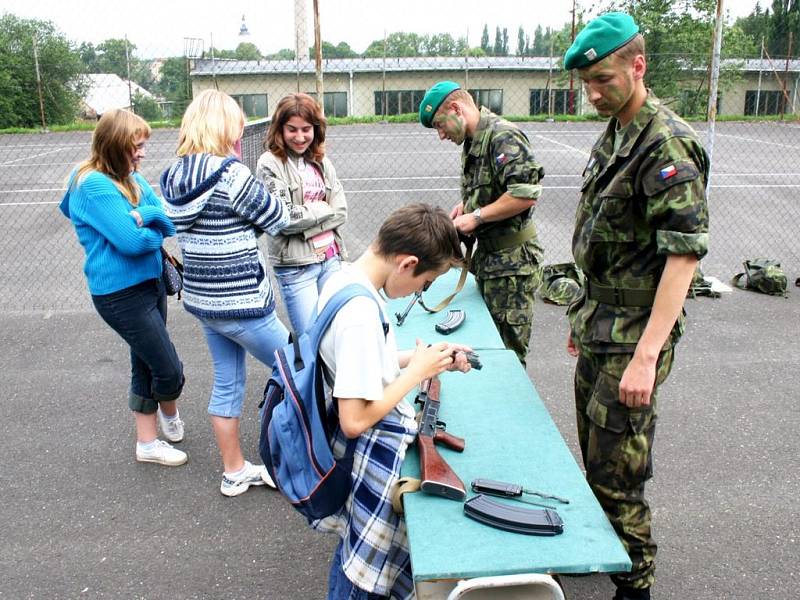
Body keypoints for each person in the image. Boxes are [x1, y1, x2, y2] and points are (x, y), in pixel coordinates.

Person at [563, 13, 710, 600]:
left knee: (618, 470)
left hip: (633, 338)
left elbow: (683, 256)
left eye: (603, 79)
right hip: (601, 323)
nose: (594, 93)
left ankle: (636, 584)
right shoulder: (620, 129)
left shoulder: (664, 142)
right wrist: (585, 310)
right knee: (596, 456)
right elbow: (608, 241)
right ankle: (611, 552)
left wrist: (647, 356)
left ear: (637, 65)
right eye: (586, 85)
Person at [312, 203, 473, 600]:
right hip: (364, 455)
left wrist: (428, 358)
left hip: (349, 452)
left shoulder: (346, 277)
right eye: (426, 281)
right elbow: (354, 419)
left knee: (353, 553)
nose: (420, 292)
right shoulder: (360, 315)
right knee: (363, 575)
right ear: (408, 263)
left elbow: (366, 363)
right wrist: (415, 374)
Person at [160, 89, 290, 497]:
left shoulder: (173, 176)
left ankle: (234, 471)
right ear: (222, 125)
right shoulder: (232, 174)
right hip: (244, 303)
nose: (241, 128)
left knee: (229, 382)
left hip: (205, 303)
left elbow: (208, 226)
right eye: (236, 121)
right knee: (296, 370)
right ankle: (292, 459)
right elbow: (278, 218)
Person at [60, 109, 187, 467]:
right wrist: (152, 226)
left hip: (150, 284)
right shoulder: (93, 183)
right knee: (169, 370)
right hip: (120, 295)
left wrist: (150, 218)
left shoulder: (130, 179)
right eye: (136, 146)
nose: (143, 153)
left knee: (145, 364)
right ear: (115, 146)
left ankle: (148, 443)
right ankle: (168, 411)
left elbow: (165, 219)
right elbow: (131, 243)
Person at [418, 81, 545, 365]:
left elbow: (525, 195)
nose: (440, 135)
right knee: (487, 343)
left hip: (511, 267)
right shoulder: (475, 140)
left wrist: (475, 217)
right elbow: (494, 189)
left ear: (456, 109)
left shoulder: (503, 137)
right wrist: (468, 206)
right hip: (490, 262)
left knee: (508, 353)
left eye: (440, 125)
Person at [257, 93, 348, 335]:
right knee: (311, 339)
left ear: (316, 129)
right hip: (297, 267)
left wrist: (307, 223)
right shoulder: (269, 163)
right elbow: (284, 219)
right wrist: (322, 209)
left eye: (306, 129)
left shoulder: (321, 159)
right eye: (292, 129)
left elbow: (341, 211)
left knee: (336, 332)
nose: (300, 137)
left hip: (330, 258)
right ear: (280, 129)